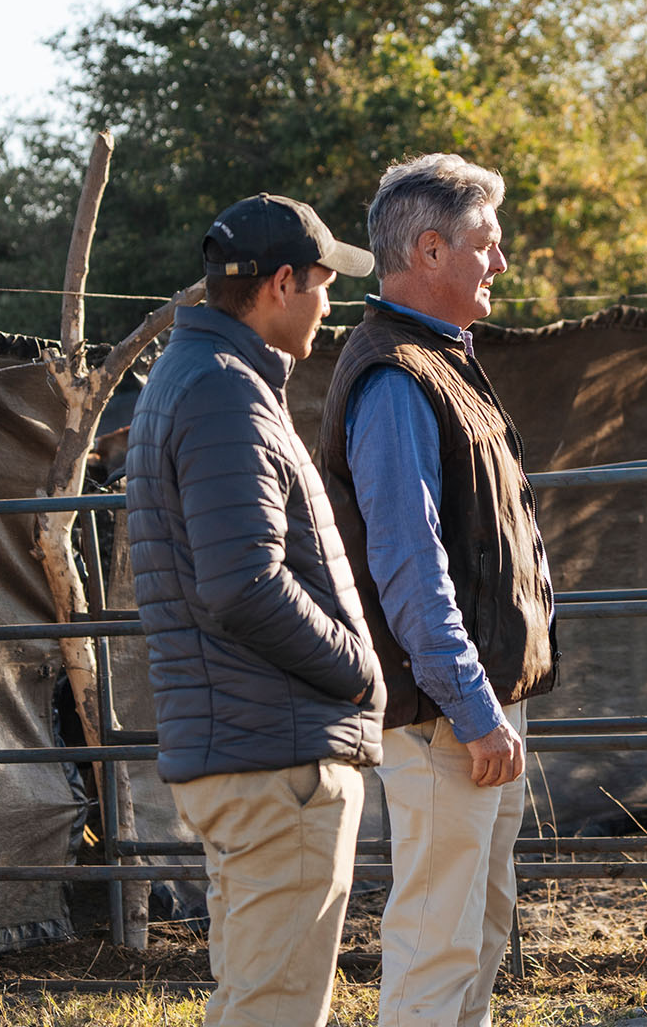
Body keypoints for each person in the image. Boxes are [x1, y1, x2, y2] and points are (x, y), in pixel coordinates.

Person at [127, 193, 384, 1027]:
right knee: (273, 1010)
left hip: (247, 746)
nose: (330, 302)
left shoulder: (199, 379)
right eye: (321, 282)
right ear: (280, 283)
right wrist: (356, 673)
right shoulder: (223, 396)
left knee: (250, 1000)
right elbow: (244, 584)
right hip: (278, 759)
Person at [319, 153, 557, 1027]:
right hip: (443, 710)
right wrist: (473, 706)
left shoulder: (437, 359)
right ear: (428, 250)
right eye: (486, 245)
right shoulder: (395, 376)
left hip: (474, 699)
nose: (499, 263)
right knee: (436, 935)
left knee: (480, 926)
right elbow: (409, 562)